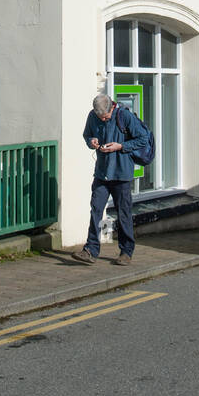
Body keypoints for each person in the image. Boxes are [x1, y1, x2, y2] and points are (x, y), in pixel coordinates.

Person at [72, 93, 147, 266]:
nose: (103, 119)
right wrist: (92, 141)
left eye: (105, 116)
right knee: (96, 209)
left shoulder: (125, 116)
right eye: (100, 117)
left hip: (122, 173)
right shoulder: (93, 116)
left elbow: (142, 138)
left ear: (111, 108)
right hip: (102, 172)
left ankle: (126, 252)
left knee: (124, 213)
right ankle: (90, 250)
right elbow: (87, 135)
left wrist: (121, 146)